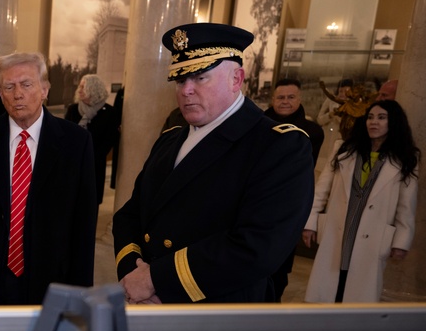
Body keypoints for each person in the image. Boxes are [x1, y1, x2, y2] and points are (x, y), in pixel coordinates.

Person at [113, 23, 313, 304]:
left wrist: (156, 280)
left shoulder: (279, 146)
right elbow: (130, 216)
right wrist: (133, 276)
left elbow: (257, 247)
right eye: (181, 80)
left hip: (217, 316)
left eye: (200, 77)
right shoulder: (170, 140)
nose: (186, 90)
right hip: (145, 303)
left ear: (236, 79)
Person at [0, 52, 97, 306]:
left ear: (45, 89)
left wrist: (80, 292)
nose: (18, 94)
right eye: (9, 87)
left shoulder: (76, 143)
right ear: (0, 94)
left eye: (26, 84)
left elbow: (83, 224)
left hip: (50, 281)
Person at [302, 100, 419, 303]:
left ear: (394, 123)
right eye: (370, 117)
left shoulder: (406, 158)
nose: (374, 122)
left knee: (358, 293)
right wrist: (310, 224)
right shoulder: (344, 149)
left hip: (373, 236)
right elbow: (321, 190)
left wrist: (401, 240)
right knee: (328, 288)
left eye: (382, 118)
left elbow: (406, 205)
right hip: (339, 228)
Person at [263, 77, 326, 301]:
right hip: (258, 200)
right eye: (280, 97)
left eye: (291, 97)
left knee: (279, 266)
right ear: (272, 99)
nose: (285, 102)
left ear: (299, 99)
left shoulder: (313, 131)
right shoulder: (255, 124)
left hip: (288, 205)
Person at [64, 74, 119, 204]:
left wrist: (90, 157)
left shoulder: (109, 112)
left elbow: (109, 140)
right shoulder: (73, 110)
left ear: (93, 89)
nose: (79, 89)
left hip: (94, 165)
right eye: (80, 86)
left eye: (83, 87)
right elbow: (65, 135)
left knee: (90, 202)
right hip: (72, 164)